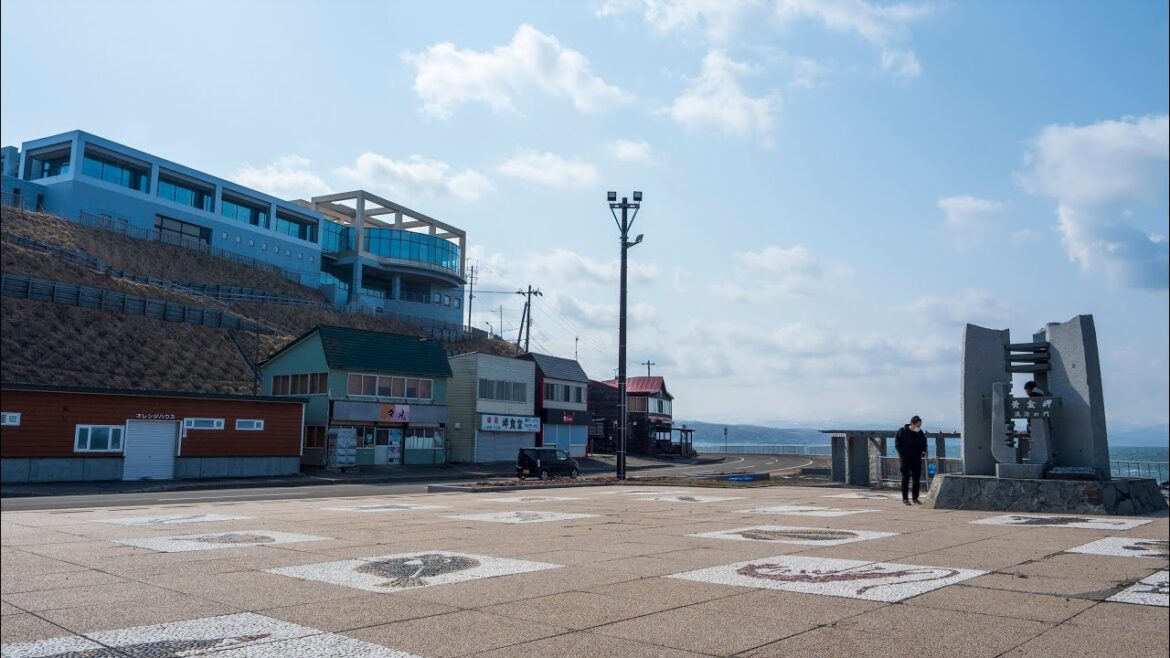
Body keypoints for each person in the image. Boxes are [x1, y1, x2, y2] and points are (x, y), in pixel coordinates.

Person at [895, 415, 928, 505]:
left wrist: (923, 452)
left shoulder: (920, 433)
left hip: (916, 460)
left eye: (920, 425)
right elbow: (898, 444)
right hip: (905, 460)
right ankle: (905, 499)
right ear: (912, 424)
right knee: (905, 479)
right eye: (917, 425)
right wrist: (902, 455)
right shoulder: (902, 431)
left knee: (916, 480)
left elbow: (924, 443)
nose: (919, 427)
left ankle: (915, 498)